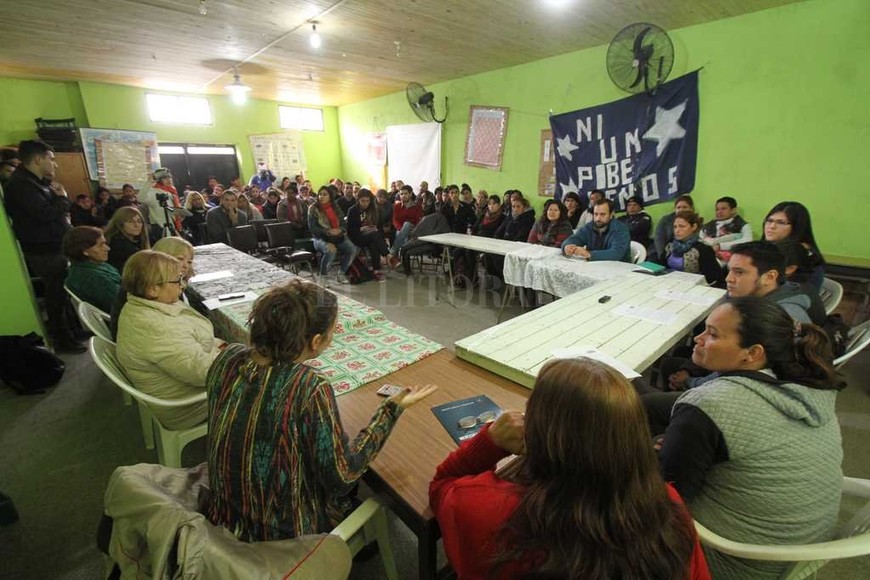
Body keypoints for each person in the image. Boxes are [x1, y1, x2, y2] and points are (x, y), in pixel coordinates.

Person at [430, 357, 710, 580]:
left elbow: (442, 486)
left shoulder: (485, 508)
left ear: (538, 430)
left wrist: (489, 442)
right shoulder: (667, 505)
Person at [205, 280, 436, 541]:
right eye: (332, 332)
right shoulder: (307, 385)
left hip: (222, 515)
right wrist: (391, 409)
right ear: (315, 341)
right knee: (355, 491)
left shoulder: (227, 357)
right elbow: (343, 476)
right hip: (278, 537)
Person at [658, 297, 843, 579]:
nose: (698, 338)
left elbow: (665, 499)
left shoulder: (711, 404)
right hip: (797, 555)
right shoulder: (810, 391)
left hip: (733, 561)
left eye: (712, 334)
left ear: (752, 353)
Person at [116, 250, 224, 430]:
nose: (182, 286)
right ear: (153, 288)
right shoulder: (156, 327)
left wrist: (219, 345)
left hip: (179, 387)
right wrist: (232, 353)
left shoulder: (143, 304)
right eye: (177, 280)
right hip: (189, 405)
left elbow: (189, 340)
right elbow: (204, 372)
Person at [3, 140, 84, 352]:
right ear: (38, 159)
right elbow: (45, 214)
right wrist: (63, 198)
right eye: (51, 159)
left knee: (63, 293)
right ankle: (63, 339)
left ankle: (75, 331)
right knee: (55, 296)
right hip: (44, 251)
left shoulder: (36, 182)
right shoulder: (21, 184)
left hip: (54, 246)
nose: (54, 164)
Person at [762, 201, 825, 291]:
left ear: (797, 226)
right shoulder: (770, 248)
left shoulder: (801, 254)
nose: (772, 226)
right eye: (769, 220)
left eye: (781, 222)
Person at [62, 226, 120, 313]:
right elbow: (122, 305)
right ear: (85, 251)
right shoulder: (93, 278)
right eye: (101, 245)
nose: (108, 248)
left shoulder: (82, 266)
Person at [657, 210, 723, 285]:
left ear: (694, 227)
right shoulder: (670, 245)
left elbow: (711, 277)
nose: (677, 230)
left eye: (682, 226)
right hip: (670, 283)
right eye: (675, 227)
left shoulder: (703, 248)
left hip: (695, 287)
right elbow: (661, 265)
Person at [308, 185, 357, 285]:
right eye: (320, 194)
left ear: (330, 196)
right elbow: (312, 228)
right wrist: (327, 231)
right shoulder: (313, 208)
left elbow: (343, 223)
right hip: (319, 238)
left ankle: (342, 273)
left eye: (325, 194)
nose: (321, 197)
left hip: (336, 236)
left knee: (352, 249)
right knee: (331, 250)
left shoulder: (335, 206)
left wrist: (340, 230)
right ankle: (323, 276)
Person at [484, 196, 536, 290]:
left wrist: (506, 244)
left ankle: (509, 280)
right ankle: (497, 280)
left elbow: (521, 236)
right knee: (487, 255)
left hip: (518, 249)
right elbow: (500, 230)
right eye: (513, 206)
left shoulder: (528, 219)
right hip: (504, 245)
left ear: (524, 207)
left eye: (518, 206)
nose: (515, 209)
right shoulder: (510, 216)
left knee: (498, 259)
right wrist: (496, 241)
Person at [346, 188, 396, 279]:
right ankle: (388, 256)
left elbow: (379, 225)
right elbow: (350, 230)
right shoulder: (352, 210)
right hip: (356, 237)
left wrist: (374, 228)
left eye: (367, 201)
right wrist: (362, 229)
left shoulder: (372, 209)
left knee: (374, 241)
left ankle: (376, 270)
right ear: (358, 200)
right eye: (363, 201)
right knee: (374, 236)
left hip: (369, 235)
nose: (365, 203)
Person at [561, 199, 631, 262]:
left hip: (619, 269)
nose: (598, 218)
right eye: (596, 214)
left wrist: (590, 254)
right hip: (594, 267)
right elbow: (574, 239)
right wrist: (566, 247)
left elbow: (616, 253)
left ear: (611, 215)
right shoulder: (589, 226)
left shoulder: (620, 229)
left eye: (602, 214)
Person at [699, 196, 752, 262]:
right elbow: (701, 241)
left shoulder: (743, 225)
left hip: (734, 259)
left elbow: (748, 240)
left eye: (723, 209)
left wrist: (720, 246)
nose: (719, 212)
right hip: (709, 257)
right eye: (717, 209)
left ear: (733, 210)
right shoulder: (707, 226)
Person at [140, 167, 183, 239]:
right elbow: (141, 198)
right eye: (164, 178)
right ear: (158, 179)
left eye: (169, 177)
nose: (168, 180)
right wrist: (149, 182)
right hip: (160, 229)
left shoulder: (171, 192)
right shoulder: (153, 192)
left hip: (173, 227)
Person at [105, 206, 150, 273]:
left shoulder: (138, 241)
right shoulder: (119, 245)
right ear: (120, 224)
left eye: (139, 221)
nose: (136, 225)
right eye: (131, 222)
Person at [653, 194, 694, 260]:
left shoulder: (695, 221)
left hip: (686, 255)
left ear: (691, 209)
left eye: (685, 207)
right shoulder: (666, 220)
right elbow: (659, 239)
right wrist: (662, 256)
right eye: (678, 207)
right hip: (660, 252)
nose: (681, 210)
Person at [389, 185, 423, 260]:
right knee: (401, 232)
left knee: (407, 224)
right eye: (401, 194)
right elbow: (394, 220)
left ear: (410, 194)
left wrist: (413, 230)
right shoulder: (396, 206)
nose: (403, 196)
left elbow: (419, 221)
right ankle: (398, 258)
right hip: (400, 230)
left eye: (406, 193)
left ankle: (392, 252)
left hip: (413, 230)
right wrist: (402, 229)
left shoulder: (417, 206)